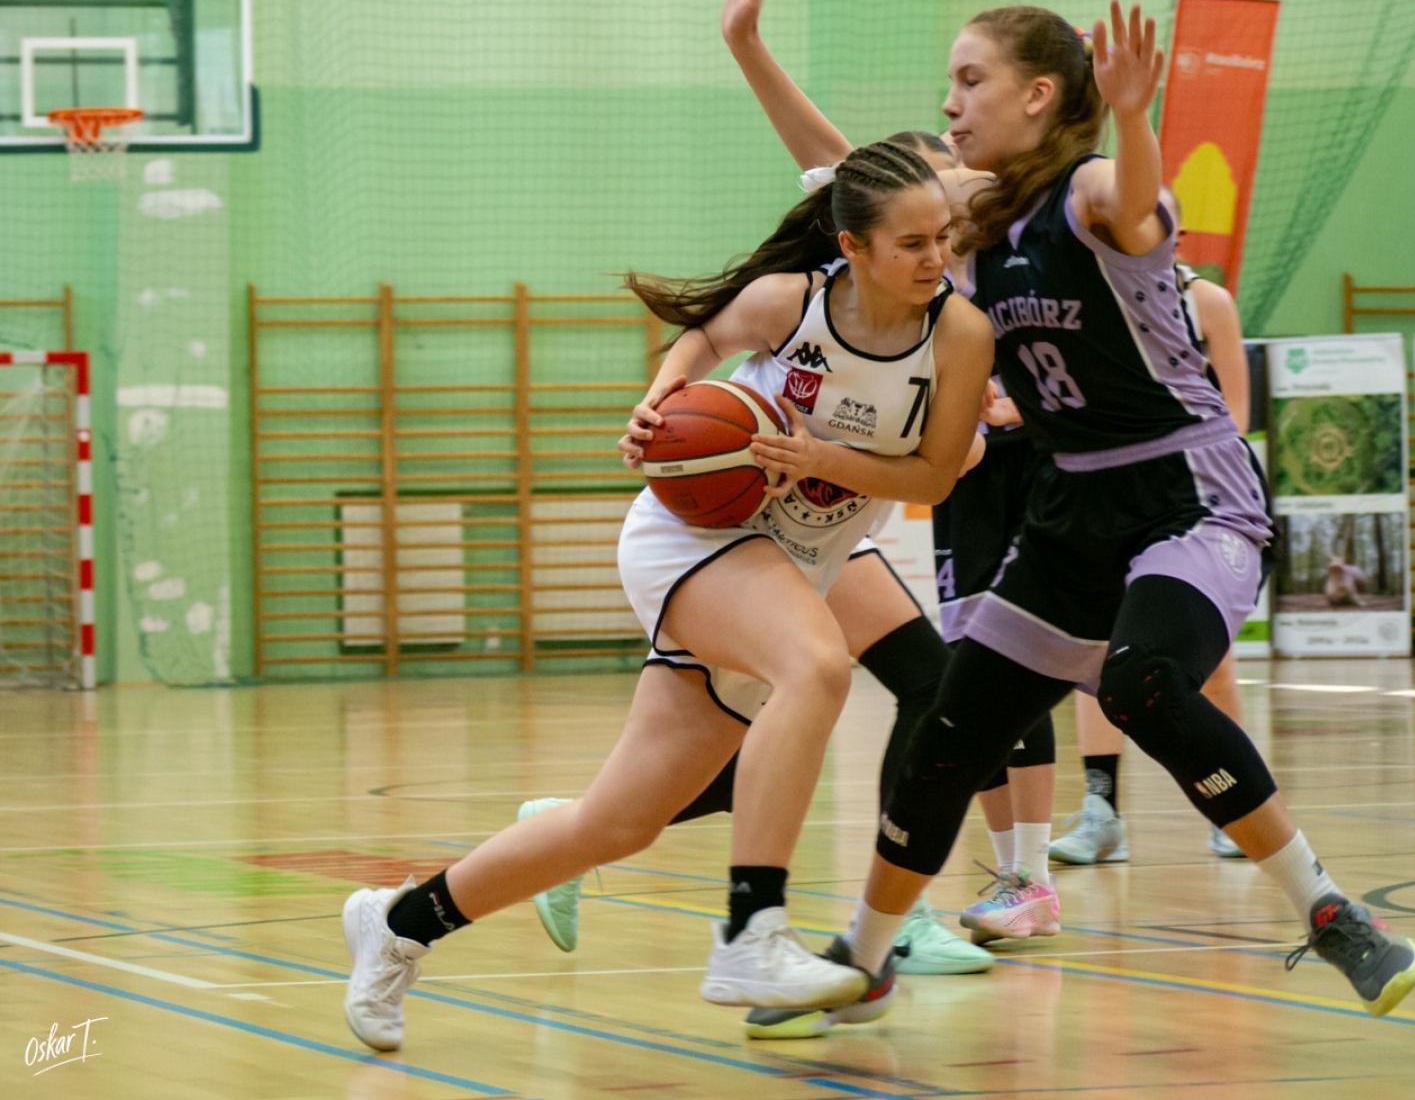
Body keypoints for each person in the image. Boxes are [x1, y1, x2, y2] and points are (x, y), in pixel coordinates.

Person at [720, 0, 1415, 1036]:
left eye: (970, 80)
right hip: (1069, 509)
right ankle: (861, 959)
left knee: (1144, 682)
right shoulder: (967, 220)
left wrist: (1142, 118)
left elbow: (1137, 205)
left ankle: (1330, 912)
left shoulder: (1089, 186)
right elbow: (846, 175)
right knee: (952, 728)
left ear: (1039, 95)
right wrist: (748, 47)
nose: (949, 102)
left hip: (1186, 495)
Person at [338, 137, 994, 1052]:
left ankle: (399, 923)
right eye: (914, 244)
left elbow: (929, 480)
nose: (937, 260)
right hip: (694, 539)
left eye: (945, 239)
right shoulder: (789, 303)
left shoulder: (959, 334)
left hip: (792, 568)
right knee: (817, 666)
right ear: (853, 248)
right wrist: (660, 397)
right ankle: (751, 933)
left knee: (616, 822)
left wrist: (820, 459)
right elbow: (703, 337)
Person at [720, 0, 1064, 959]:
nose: (948, 141)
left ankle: (989, 887)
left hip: (876, 495)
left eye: (968, 94)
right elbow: (820, 148)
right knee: (917, 686)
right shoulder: (892, 240)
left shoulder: (990, 229)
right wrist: (746, 42)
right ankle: (930, 905)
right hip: (820, 493)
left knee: (961, 679)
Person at [1050, 232, 1253, 864]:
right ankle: (1101, 812)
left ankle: (1235, 811)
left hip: (1198, 494)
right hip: (1107, 495)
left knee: (1211, 664)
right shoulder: (1091, 299)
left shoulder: (1208, 301)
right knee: (1098, 655)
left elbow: (1236, 415)